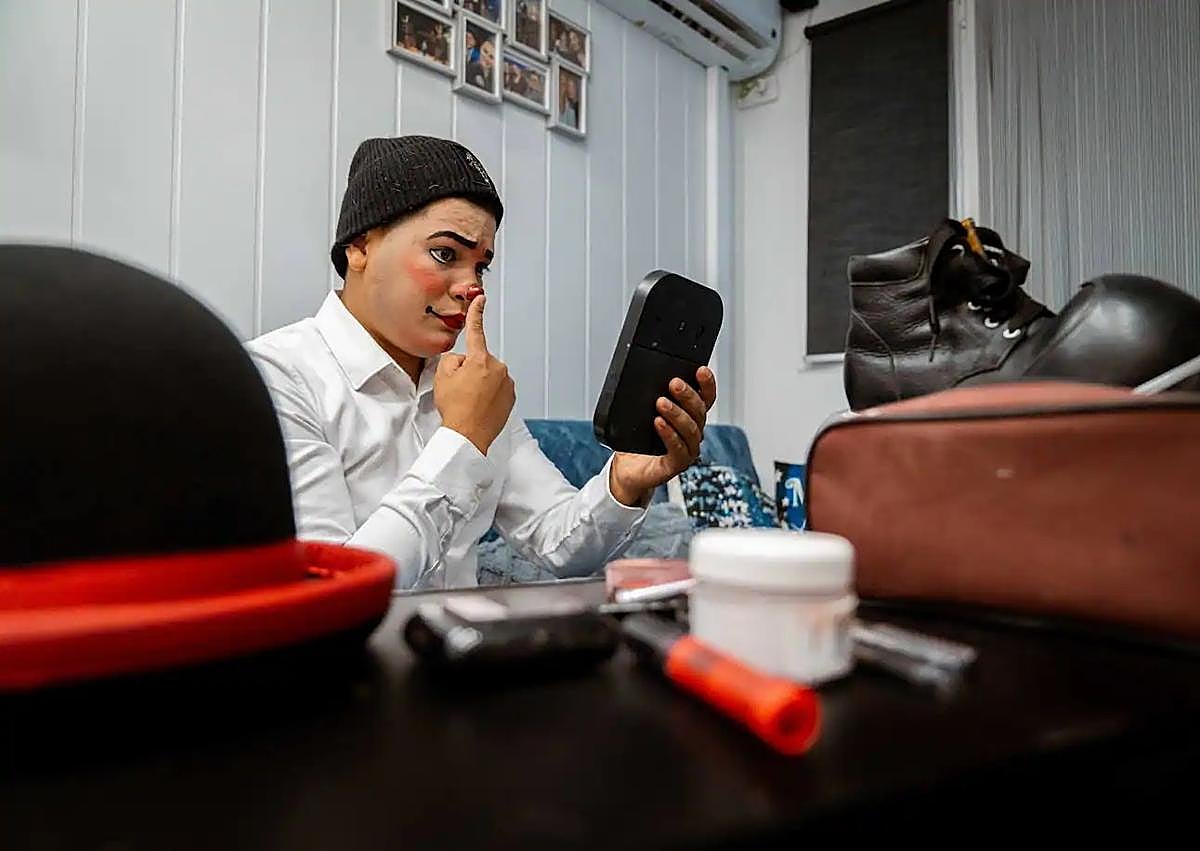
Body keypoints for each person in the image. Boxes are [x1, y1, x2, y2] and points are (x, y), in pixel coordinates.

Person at [248, 137, 717, 590]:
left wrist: (623, 483)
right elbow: (331, 590)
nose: (471, 286)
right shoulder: (277, 377)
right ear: (360, 246)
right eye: (444, 254)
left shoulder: (474, 385)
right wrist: (465, 439)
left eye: (481, 265)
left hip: (466, 655)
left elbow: (559, 542)